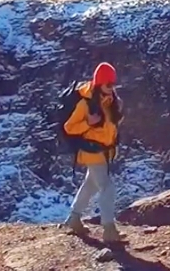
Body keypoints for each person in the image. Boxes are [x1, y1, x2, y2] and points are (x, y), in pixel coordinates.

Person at [62, 61, 124, 242]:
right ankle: (109, 229)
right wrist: (89, 122)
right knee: (107, 187)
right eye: (109, 84)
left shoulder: (111, 101)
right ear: (99, 83)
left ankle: (74, 218)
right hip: (92, 151)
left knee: (90, 184)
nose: (112, 88)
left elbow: (110, 126)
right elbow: (69, 127)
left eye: (114, 84)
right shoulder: (86, 104)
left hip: (104, 151)